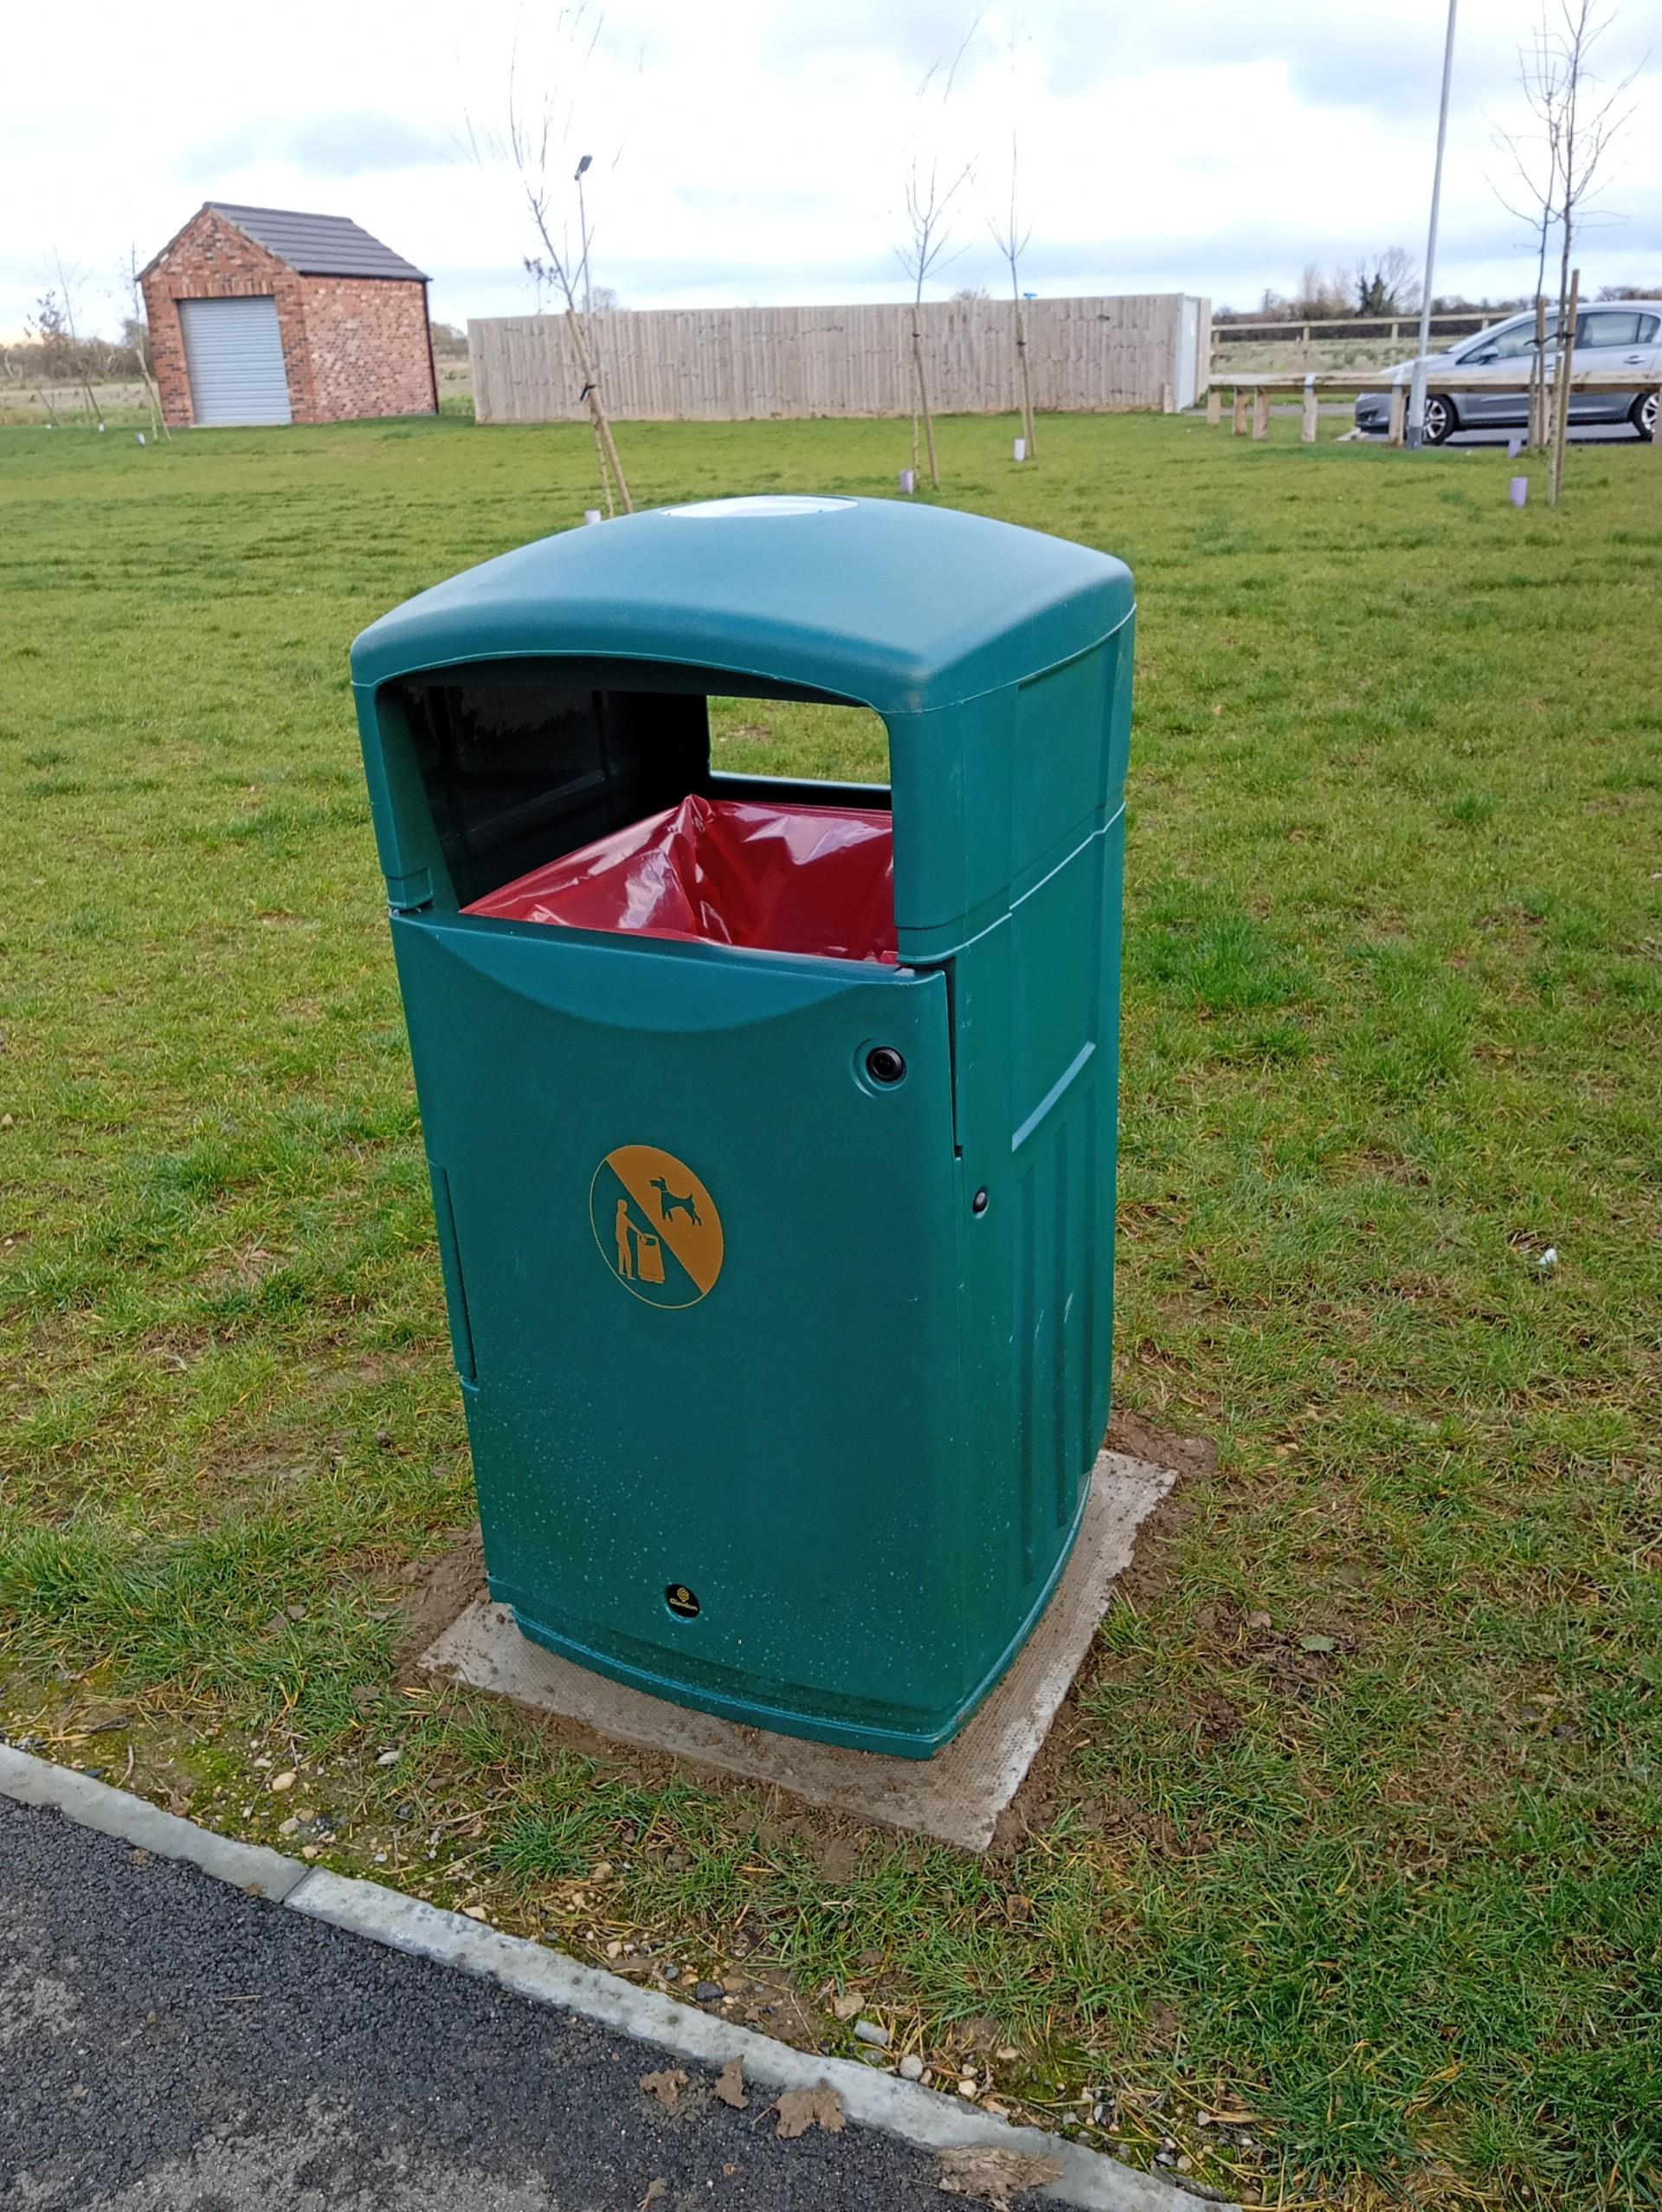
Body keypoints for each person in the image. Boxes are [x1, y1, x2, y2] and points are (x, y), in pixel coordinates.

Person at [614, 1196, 634, 1279]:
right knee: (628, 1255)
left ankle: (621, 1270)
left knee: (621, 1253)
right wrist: (641, 1234)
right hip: (622, 1237)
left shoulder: (619, 1215)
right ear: (622, 1207)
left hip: (618, 1236)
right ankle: (629, 1275)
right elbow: (631, 1225)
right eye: (625, 1206)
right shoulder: (622, 1216)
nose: (626, 1208)